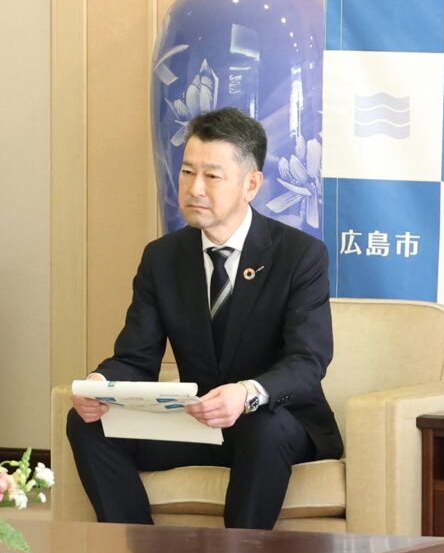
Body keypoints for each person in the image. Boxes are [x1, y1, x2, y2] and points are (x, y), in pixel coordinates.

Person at [63, 107, 338, 529]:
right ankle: (136, 552)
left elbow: (308, 361)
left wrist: (246, 394)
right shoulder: (163, 257)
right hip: (199, 421)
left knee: (261, 429)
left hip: (274, 421)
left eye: (212, 176)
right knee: (88, 424)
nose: (194, 189)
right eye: (187, 172)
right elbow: (135, 357)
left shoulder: (299, 255)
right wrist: (102, 384)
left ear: (250, 185)